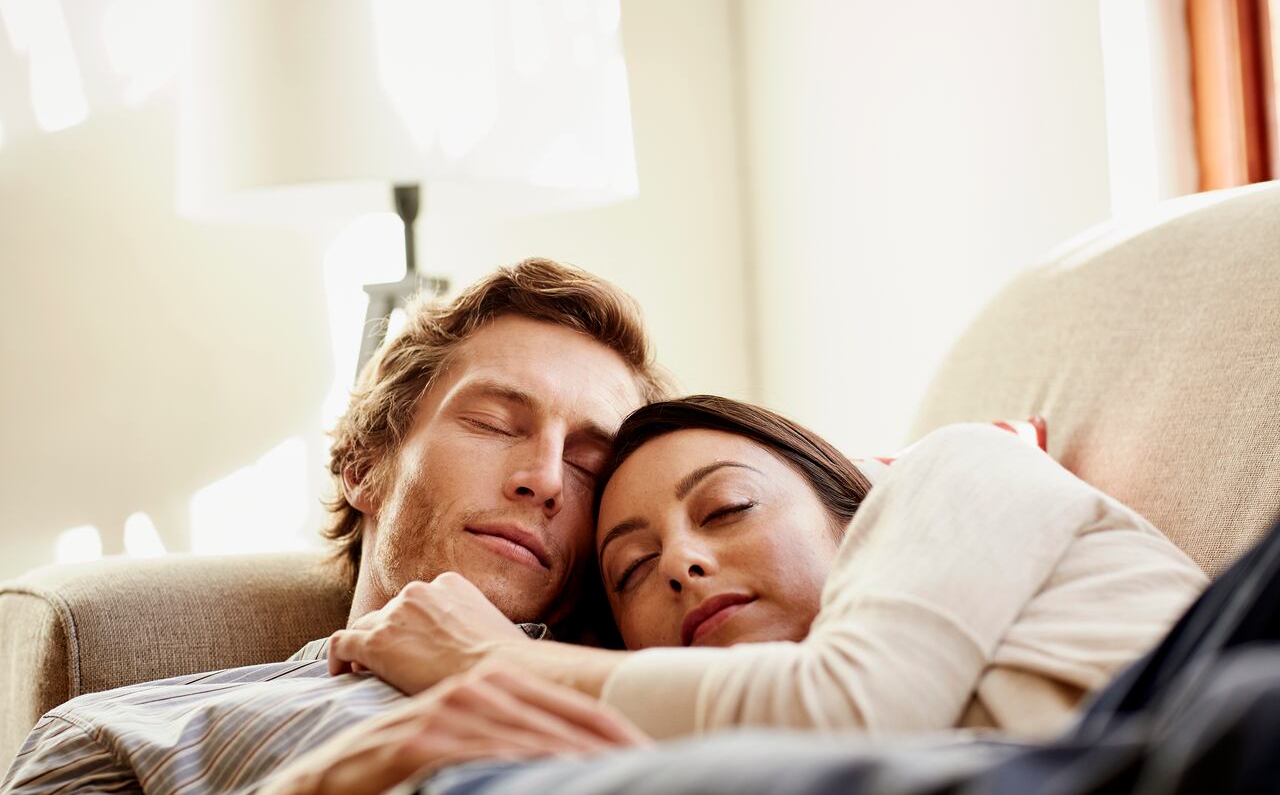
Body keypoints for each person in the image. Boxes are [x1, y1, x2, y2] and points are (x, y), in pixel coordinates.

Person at [288, 395, 1208, 792]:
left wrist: (503, 662)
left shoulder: (956, 467)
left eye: (726, 507)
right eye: (631, 570)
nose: (682, 563)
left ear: (850, 506)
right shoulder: (708, 740)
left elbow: (852, 705)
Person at [1, 258, 673, 794]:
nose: (547, 476)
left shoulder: (679, 684)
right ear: (362, 464)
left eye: (588, 463)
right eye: (493, 423)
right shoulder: (120, 734)